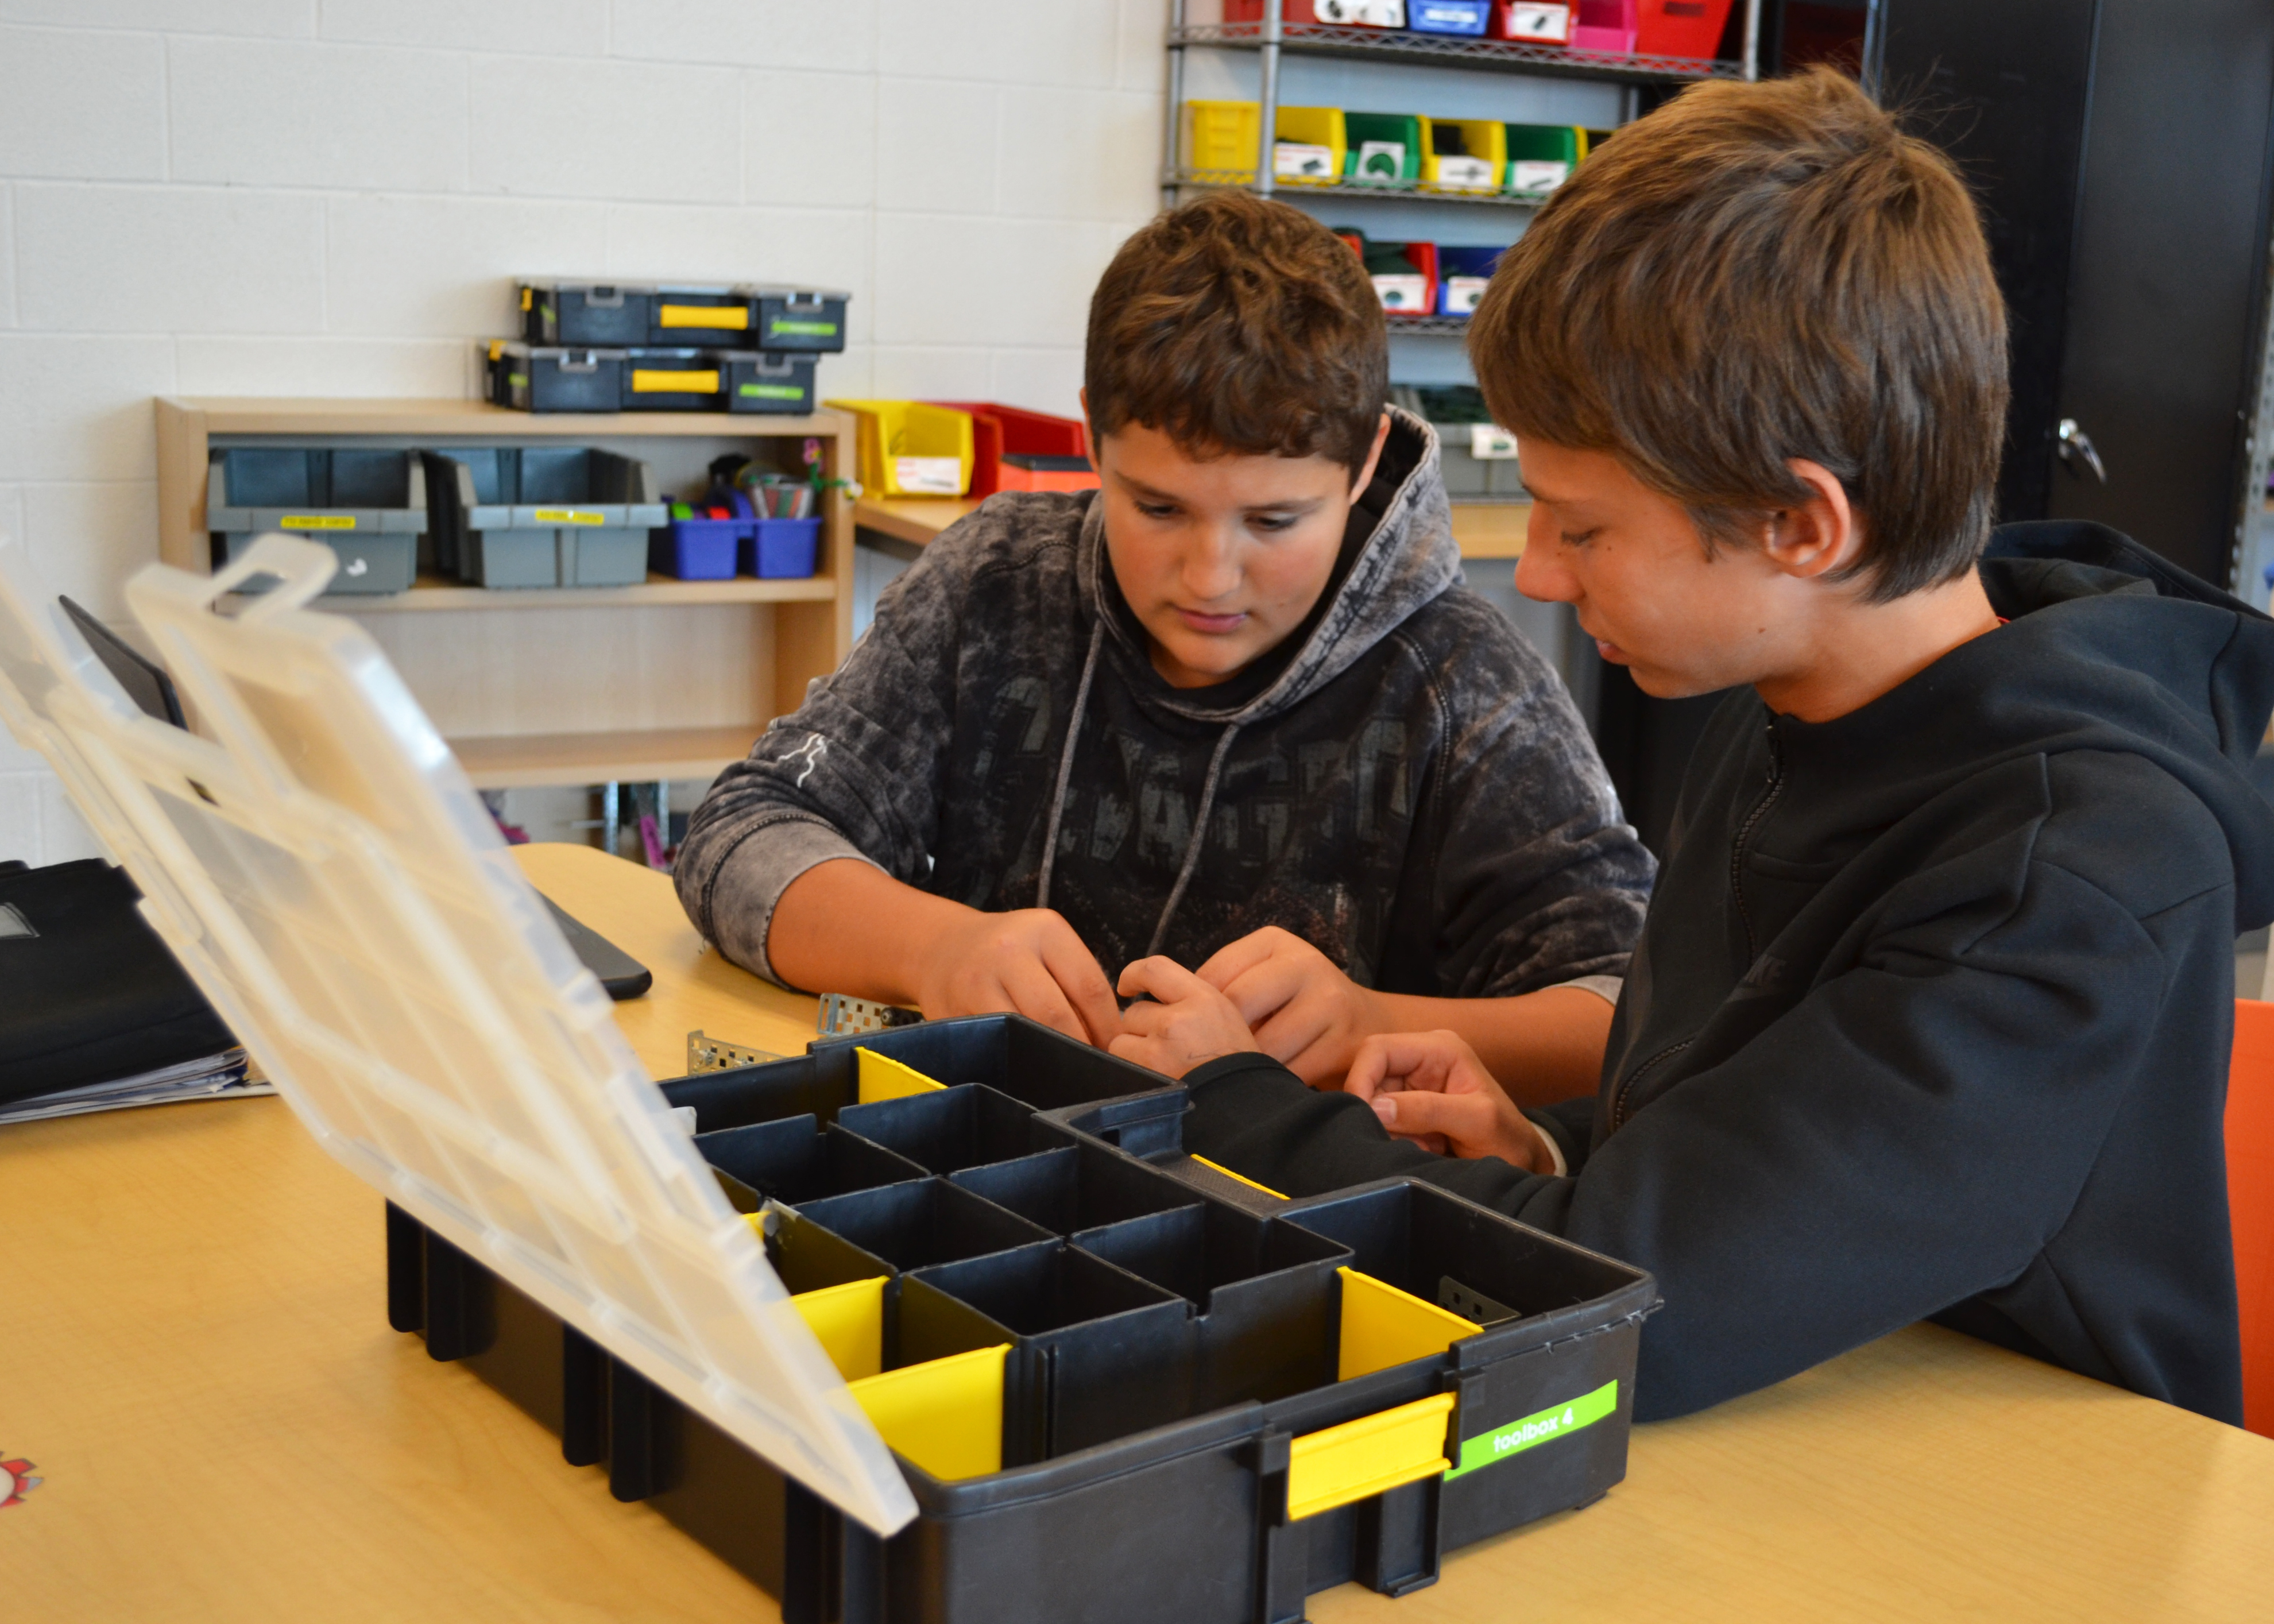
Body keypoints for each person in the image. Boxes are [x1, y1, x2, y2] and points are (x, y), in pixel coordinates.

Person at [1117, 68, 2274, 1426]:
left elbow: (1636, 1303)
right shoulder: (1793, 699)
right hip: (1810, 1420)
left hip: (2026, 1507)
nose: (1537, 574)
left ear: (1802, 526)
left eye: (1582, 526)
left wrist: (1243, 1106)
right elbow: (1745, 1147)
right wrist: (1544, 1153)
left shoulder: (2066, 881)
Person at [675, 191, 1653, 1099]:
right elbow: (741, 833)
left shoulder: (1461, 681)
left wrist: (1367, 1025)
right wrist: (934, 947)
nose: (1210, 577)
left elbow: (1629, 1012)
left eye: (1274, 522)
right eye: (1157, 508)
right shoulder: (995, 581)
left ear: (1360, 471)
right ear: (1093, 444)